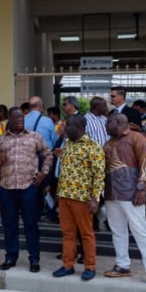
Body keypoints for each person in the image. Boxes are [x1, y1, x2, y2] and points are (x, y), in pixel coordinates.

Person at [103, 114, 146, 288]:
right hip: (111, 194)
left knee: (140, 231)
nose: (106, 125)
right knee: (118, 231)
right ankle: (122, 265)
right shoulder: (108, 143)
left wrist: (141, 187)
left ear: (120, 123)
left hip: (131, 193)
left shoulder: (137, 138)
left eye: (109, 122)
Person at [0, 107, 51, 272]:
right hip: (6, 188)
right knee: (9, 224)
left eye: (21, 119)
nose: (19, 121)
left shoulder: (34, 136)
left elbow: (47, 153)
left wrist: (43, 173)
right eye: (16, 118)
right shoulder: (1, 139)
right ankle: (10, 257)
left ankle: (34, 259)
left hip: (28, 188)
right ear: (10, 118)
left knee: (31, 224)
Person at [52, 115, 104, 281]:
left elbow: (99, 175)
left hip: (82, 198)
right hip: (64, 195)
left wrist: (95, 198)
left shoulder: (93, 147)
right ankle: (68, 265)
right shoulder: (68, 144)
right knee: (68, 232)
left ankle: (89, 266)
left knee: (86, 233)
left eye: (68, 126)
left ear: (80, 126)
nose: (65, 128)